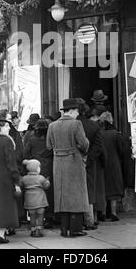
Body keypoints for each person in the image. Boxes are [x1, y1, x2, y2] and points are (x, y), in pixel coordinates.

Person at [47, 99, 90, 238]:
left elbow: (48, 146)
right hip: (74, 161)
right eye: (77, 111)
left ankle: (64, 229)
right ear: (71, 111)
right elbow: (84, 144)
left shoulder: (52, 125)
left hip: (58, 163)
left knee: (62, 196)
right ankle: (75, 229)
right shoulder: (76, 124)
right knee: (77, 195)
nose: (78, 114)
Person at [76, 98, 103, 230]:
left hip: (73, 161)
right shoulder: (93, 125)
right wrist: (88, 159)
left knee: (75, 190)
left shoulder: (72, 124)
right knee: (89, 190)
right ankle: (90, 220)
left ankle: (76, 221)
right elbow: (98, 146)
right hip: (90, 163)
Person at [23, 119, 54, 228]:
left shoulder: (31, 139)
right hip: (49, 167)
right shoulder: (50, 139)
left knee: (32, 191)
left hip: (35, 167)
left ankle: (33, 218)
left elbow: (26, 153)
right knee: (49, 193)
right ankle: (49, 217)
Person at [99, 111, 124, 222]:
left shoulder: (99, 133)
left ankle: (103, 213)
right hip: (114, 164)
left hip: (102, 164)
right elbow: (122, 150)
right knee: (114, 189)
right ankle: (113, 212)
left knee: (104, 188)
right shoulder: (116, 133)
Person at [20, 159, 50, 238]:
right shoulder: (41, 178)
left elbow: (21, 185)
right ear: (37, 168)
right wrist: (47, 181)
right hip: (40, 201)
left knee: (32, 216)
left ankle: (33, 230)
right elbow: (46, 186)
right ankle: (38, 231)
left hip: (29, 201)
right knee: (40, 216)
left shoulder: (24, 178)